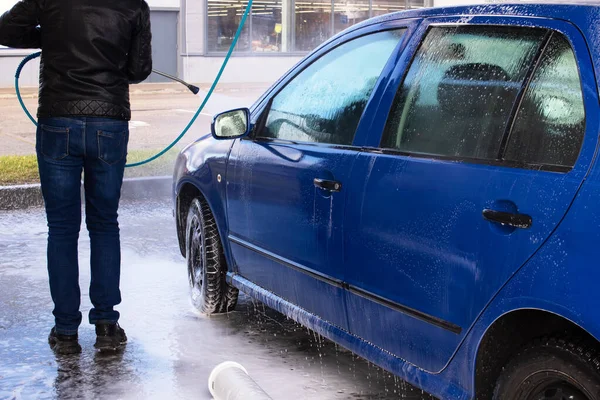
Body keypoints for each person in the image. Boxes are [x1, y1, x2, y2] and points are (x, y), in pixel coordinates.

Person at [0, 0, 153, 354]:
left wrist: (50, 36)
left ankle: (66, 332)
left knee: (63, 229)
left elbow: (6, 30)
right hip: (109, 121)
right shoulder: (134, 4)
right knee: (104, 224)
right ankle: (106, 326)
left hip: (58, 121)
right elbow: (140, 68)